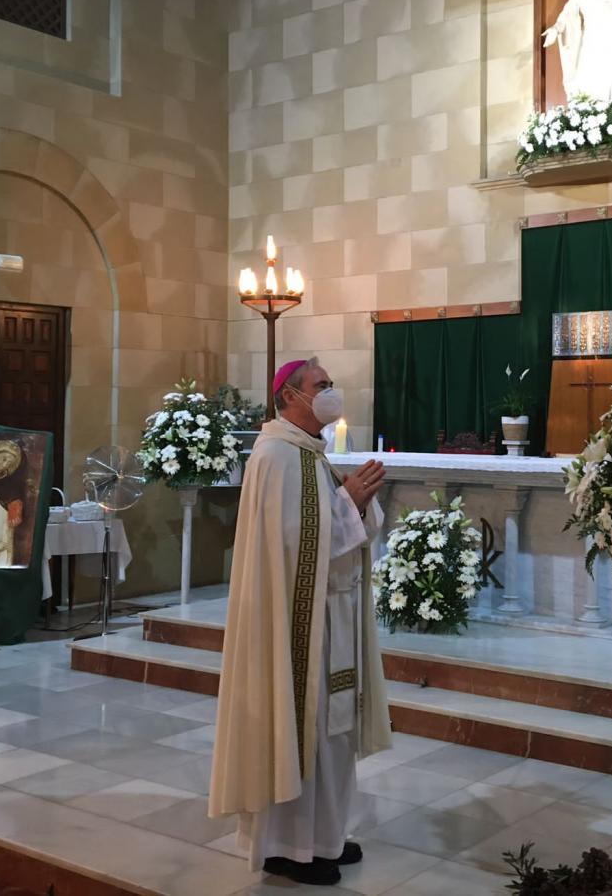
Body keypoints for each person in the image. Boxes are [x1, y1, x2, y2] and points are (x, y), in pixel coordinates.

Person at [208, 358, 391, 887]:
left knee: (332, 733)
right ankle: (289, 846)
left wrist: (356, 503)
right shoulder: (276, 455)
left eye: (331, 384)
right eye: (320, 385)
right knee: (303, 730)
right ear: (289, 395)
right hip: (296, 625)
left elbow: (327, 532)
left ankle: (323, 837)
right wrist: (348, 503)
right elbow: (293, 547)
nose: (330, 392)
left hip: (330, 615)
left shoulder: (310, 454)